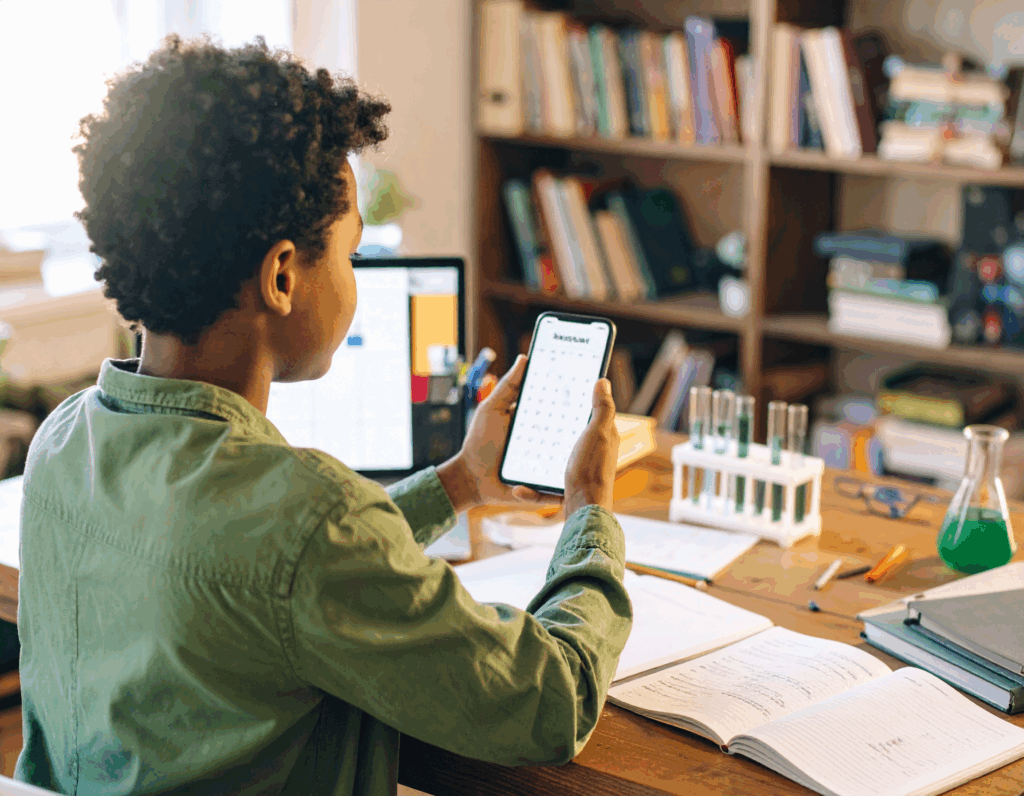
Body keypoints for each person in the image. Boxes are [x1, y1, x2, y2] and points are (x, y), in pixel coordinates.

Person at [16, 35, 632, 796]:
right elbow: (550, 703)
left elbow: (268, 575)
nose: (354, 280)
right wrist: (590, 513)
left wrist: (460, 481)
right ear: (282, 274)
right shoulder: (311, 519)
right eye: (351, 255)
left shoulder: (63, 442)